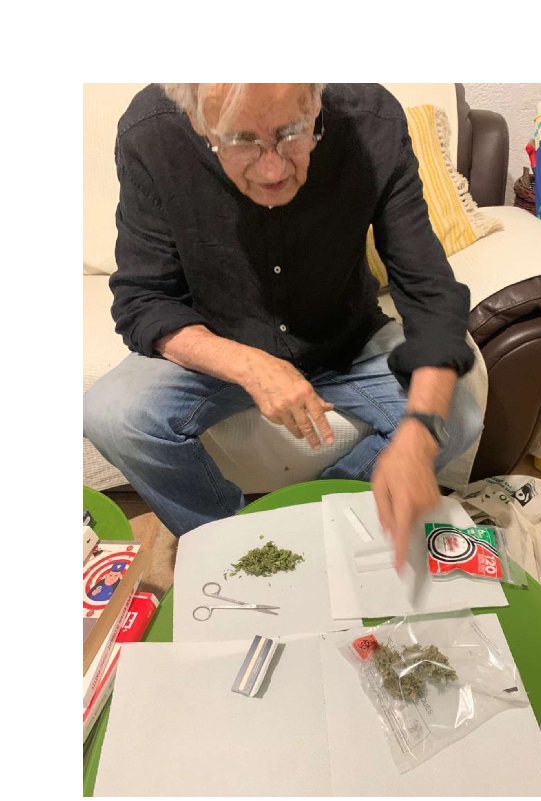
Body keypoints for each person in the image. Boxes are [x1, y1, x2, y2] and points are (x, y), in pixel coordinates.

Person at [83, 83, 482, 571]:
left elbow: (429, 289)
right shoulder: (151, 132)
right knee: (112, 415)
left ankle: (308, 526)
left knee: (456, 417)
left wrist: (419, 433)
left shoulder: (372, 121)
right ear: (198, 123)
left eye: (294, 133)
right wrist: (248, 366)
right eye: (240, 140)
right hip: (218, 342)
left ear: (316, 101)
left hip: (347, 338)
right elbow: (143, 300)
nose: (272, 170)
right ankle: (232, 542)